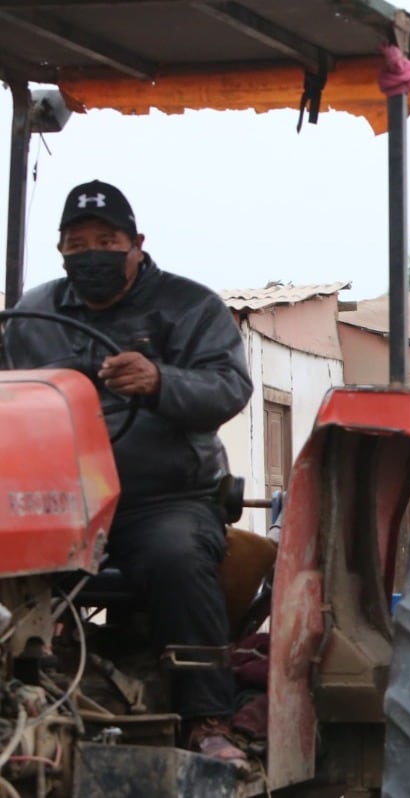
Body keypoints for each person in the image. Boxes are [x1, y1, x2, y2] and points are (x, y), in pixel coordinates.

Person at [2, 180, 252, 767]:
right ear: (61, 249)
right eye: (77, 242)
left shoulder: (191, 308)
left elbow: (230, 386)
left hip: (162, 499)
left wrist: (163, 381)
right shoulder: (30, 315)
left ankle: (207, 719)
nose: (92, 253)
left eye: (107, 240)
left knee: (176, 556)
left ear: (136, 243)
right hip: (53, 500)